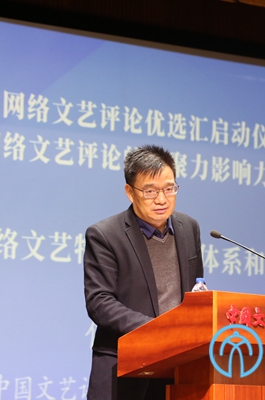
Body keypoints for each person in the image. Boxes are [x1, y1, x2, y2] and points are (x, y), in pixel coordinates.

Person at [83, 144, 204, 400]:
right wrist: (156, 329)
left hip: (178, 366)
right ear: (130, 192)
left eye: (169, 189)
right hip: (124, 366)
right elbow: (99, 302)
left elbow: (196, 289)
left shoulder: (188, 227)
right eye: (150, 191)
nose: (161, 199)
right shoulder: (105, 235)